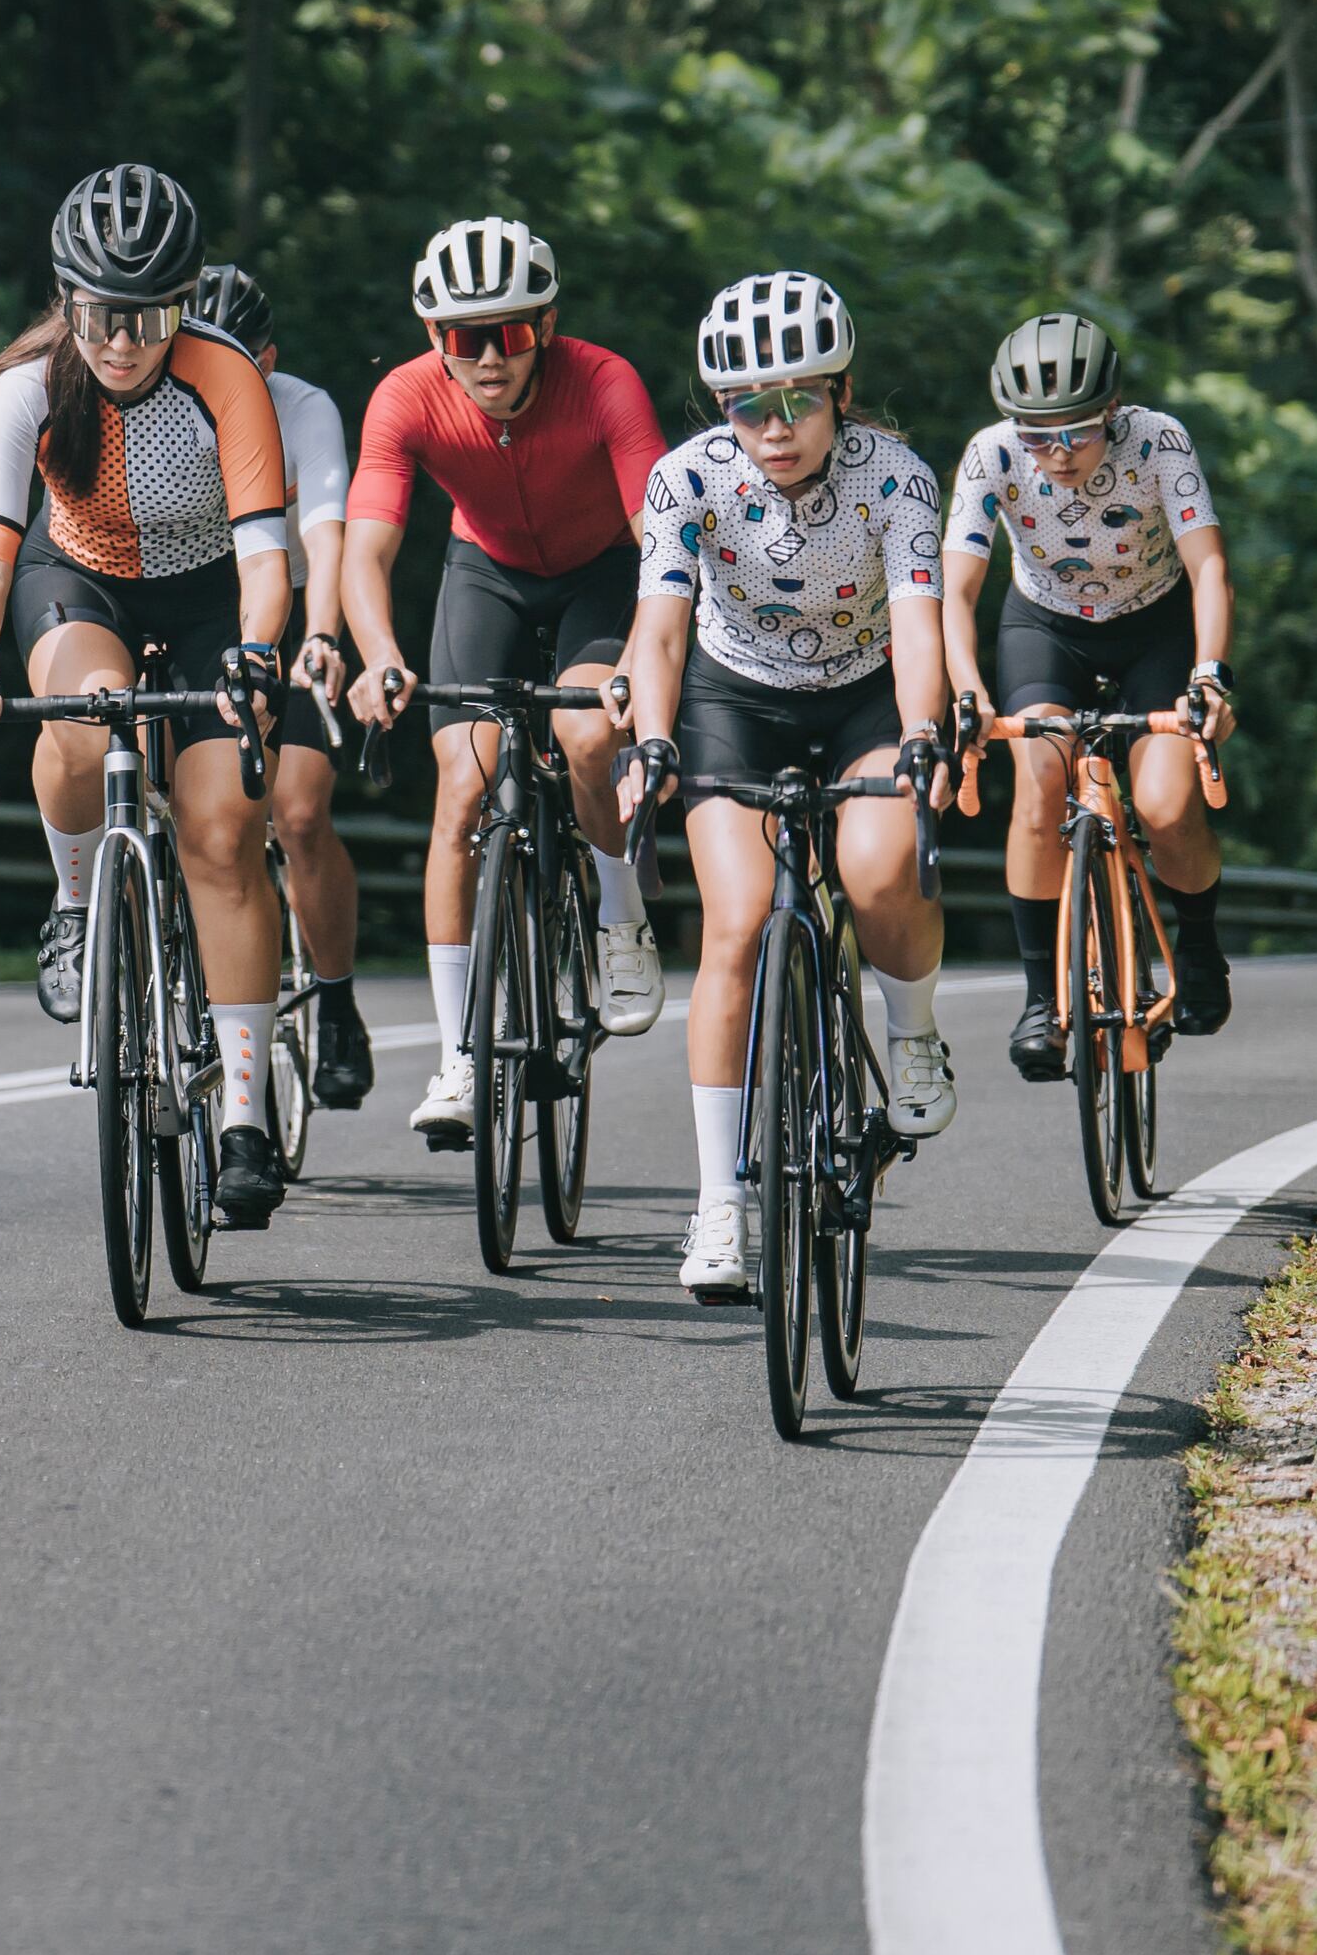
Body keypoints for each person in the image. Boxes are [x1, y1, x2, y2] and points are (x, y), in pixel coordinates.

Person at [0, 165, 305, 1224]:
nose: (122, 340)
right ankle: (71, 903)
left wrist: (250, 655)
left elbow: (265, 560)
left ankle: (242, 1113)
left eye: (149, 313)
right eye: (98, 312)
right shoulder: (24, 389)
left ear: (184, 302)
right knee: (83, 712)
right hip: (79, 576)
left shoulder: (223, 375)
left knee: (224, 833)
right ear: (65, 298)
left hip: (203, 597)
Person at [621, 269, 958, 1300]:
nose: (772, 427)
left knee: (875, 865)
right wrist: (646, 740)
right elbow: (661, 630)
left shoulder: (896, 478)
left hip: (860, 698)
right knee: (730, 923)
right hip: (737, 700)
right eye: (746, 406)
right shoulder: (684, 480)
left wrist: (918, 737)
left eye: (797, 400)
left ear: (840, 394)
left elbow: (916, 625)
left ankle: (911, 1037)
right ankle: (719, 1208)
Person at [339, 214, 669, 1154]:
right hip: (484, 572)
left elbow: (661, 548)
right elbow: (369, 547)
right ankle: (459, 1054)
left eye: (511, 333)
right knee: (462, 786)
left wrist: (642, 665)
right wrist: (380, 653)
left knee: (585, 738)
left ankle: (620, 911)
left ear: (548, 324)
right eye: (462, 337)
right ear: (433, 337)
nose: (487, 357)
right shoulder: (405, 398)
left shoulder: (604, 382)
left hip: (603, 570)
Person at [936, 308, 1239, 1078]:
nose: (1057, 453)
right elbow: (955, 593)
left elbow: (1207, 566)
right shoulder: (991, 455)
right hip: (1046, 625)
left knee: (1169, 805)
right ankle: (1043, 997)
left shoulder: (1159, 440)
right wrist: (967, 691)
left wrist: (1210, 673)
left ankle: (1197, 944)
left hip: (1154, 626)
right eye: (1037, 435)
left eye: (1076, 431)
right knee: (1040, 779)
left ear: (1112, 410)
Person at [187, 260, 373, 1109]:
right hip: (204, 614)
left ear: (269, 358)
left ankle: (332, 999)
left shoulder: (304, 408)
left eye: (245, 357)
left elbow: (328, 535)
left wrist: (325, 635)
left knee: (297, 810)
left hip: (296, 610)